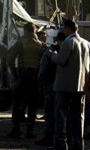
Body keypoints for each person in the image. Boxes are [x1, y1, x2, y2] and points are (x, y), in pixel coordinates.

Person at [48, 19, 90, 150]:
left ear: (67, 28)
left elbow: (61, 60)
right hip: (81, 86)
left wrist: (52, 54)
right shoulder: (87, 43)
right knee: (79, 117)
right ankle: (78, 144)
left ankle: (60, 144)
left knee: (61, 115)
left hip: (64, 86)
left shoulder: (68, 42)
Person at [7, 22, 45, 138]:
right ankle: (30, 131)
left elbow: (10, 59)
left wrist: (15, 73)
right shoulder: (41, 45)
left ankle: (16, 129)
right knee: (32, 105)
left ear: (25, 31)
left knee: (17, 103)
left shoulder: (20, 43)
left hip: (23, 75)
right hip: (35, 77)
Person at [35, 31, 66, 147]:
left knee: (49, 113)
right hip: (65, 87)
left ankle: (49, 137)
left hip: (51, 85)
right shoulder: (71, 50)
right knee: (61, 115)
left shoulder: (50, 51)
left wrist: (40, 82)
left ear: (56, 39)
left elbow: (43, 69)